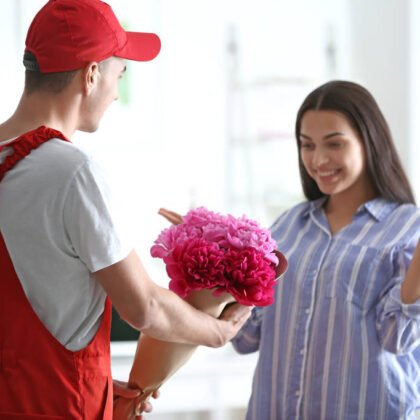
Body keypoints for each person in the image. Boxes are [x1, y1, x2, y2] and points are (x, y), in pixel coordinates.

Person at [0, 1, 251, 419]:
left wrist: (96, 383)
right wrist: (216, 331)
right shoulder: (71, 171)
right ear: (91, 74)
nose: (116, 92)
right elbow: (144, 308)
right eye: (119, 74)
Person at [231, 80, 420, 419]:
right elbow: (246, 336)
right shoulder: (287, 227)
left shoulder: (409, 229)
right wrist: (211, 261)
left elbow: (399, 338)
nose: (318, 160)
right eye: (307, 145)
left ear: (369, 141)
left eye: (334, 144)